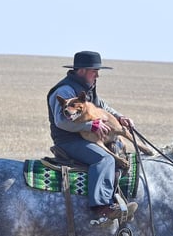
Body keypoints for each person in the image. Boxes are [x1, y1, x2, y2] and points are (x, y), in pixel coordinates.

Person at [47, 51, 138, 224]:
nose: (97, 75)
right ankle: (102, 208)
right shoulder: (65, 90)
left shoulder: (86, 88)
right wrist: (90, 126)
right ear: (82, 71)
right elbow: (61, 122)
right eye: (94, 71)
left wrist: (120, 117)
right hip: (70, 141)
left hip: (87, 137)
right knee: (104, 159)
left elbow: (103, 107)